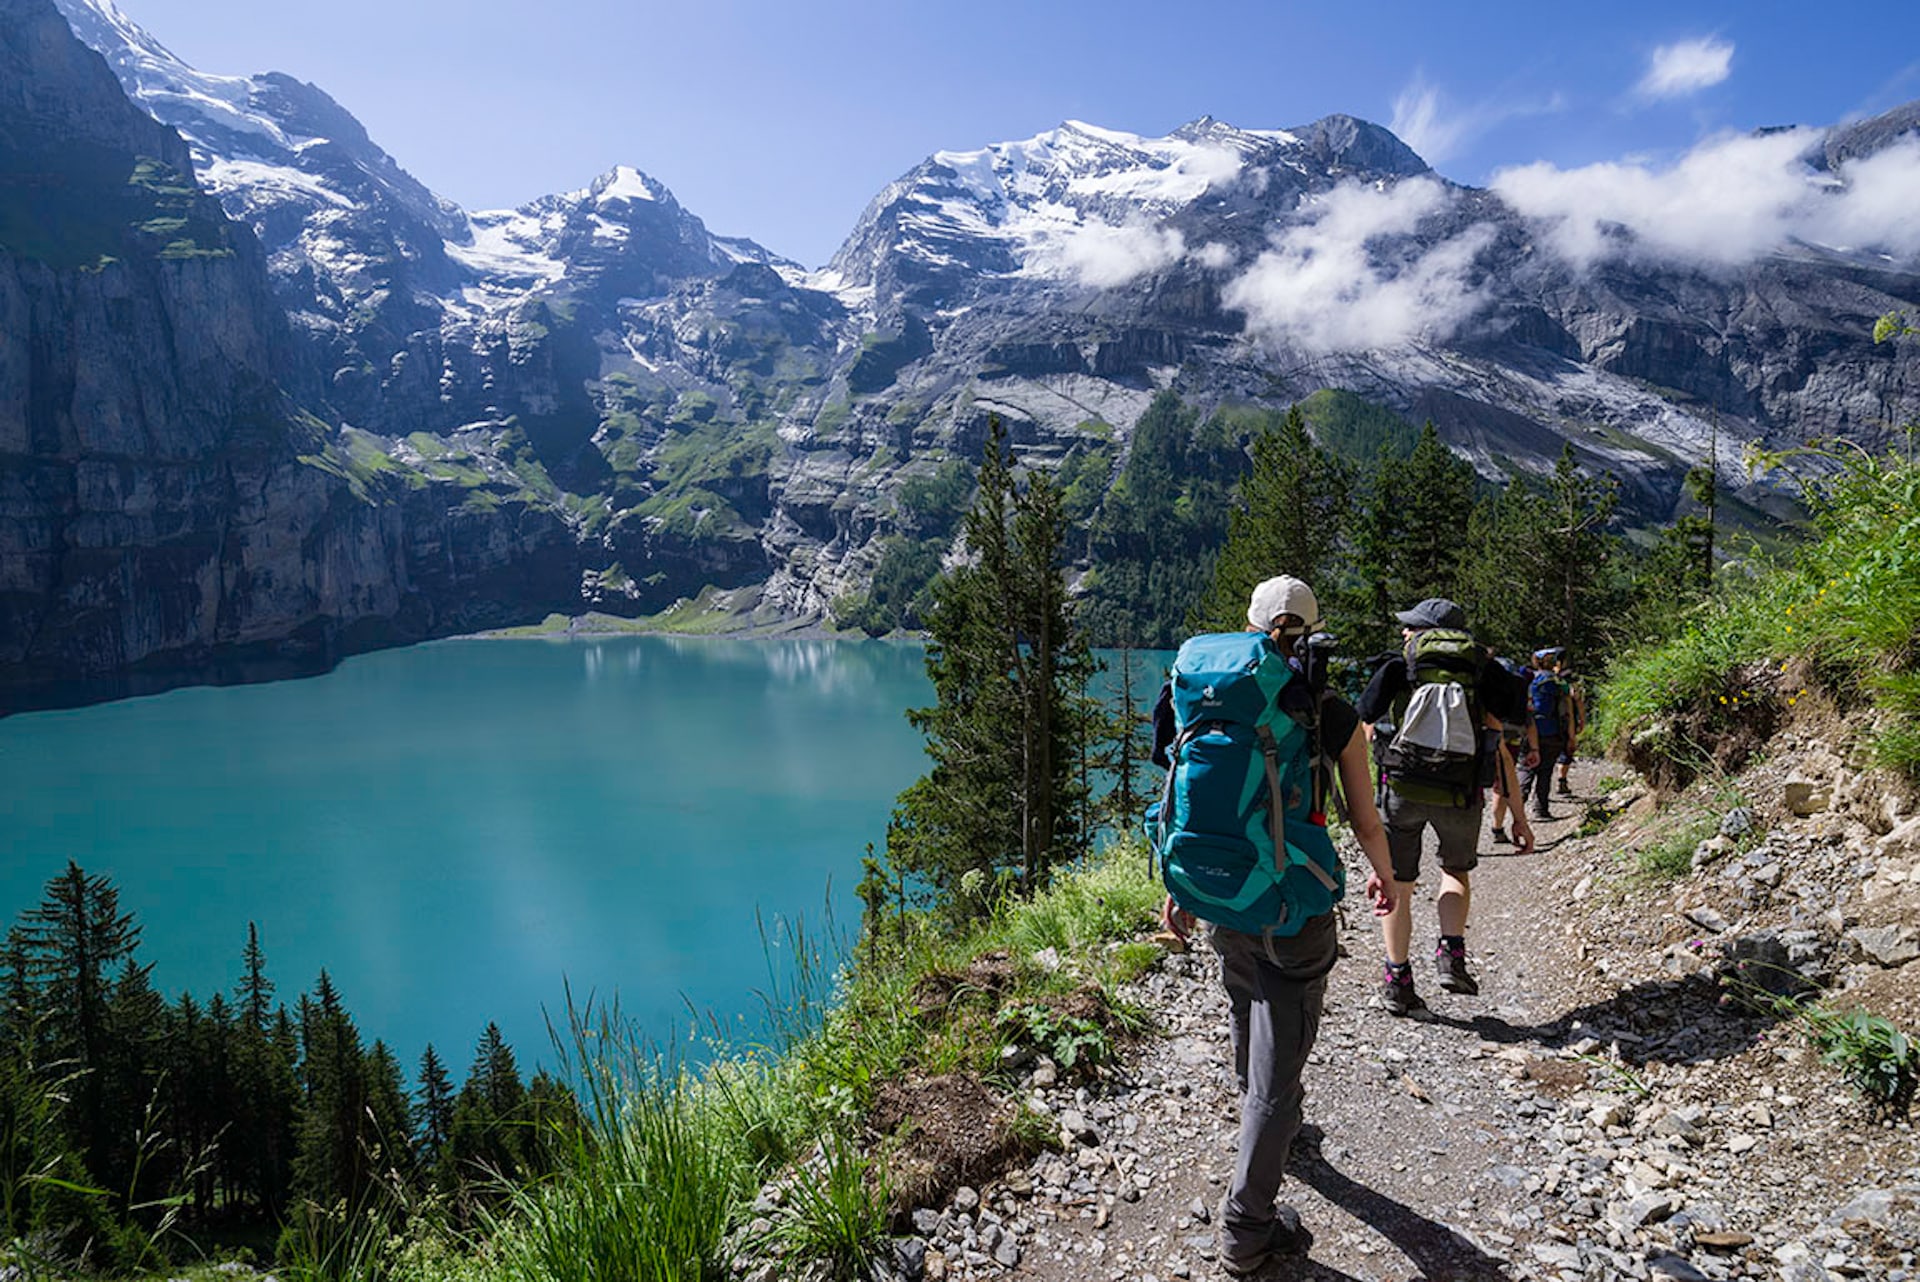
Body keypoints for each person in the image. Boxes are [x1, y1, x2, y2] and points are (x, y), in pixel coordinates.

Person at [1157, 575, 1398, 1275]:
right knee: (1280, 1070)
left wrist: (1173, 887)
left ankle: (1263, 1121)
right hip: (1294, 902)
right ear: (1310, 631)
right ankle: (1247, 1229)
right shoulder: (1328, 708)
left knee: (1242, 996)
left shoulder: (1195, 695)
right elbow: (1363, 814)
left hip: (1216, 890)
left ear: (1252, 628)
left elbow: (1176, 791)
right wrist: (1382, 872)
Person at [1356, 599, 1534, 1016]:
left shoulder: (1401, 664)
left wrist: (1360, 810)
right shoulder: (1482, 669)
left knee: (1398, 883)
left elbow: (1364, 722)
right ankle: (1451, 954)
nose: (1404, 632)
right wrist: (1520, 820)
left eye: (1410, 626)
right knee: (1454, 872)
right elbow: (1498, 747)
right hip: (1460, 791)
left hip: (1401, 790)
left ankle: (1397, 979)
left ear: (1425, 630)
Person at [1489, 657, 1538, 846]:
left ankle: (1489, 832)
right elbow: (1530, 722)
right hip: (1513, 740)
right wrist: (1534, 749)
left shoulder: (1483, 688)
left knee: (1479, 789)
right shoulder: (1519, 692)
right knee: (1503, 784)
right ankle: (1497, 828)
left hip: (1485, 740)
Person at [1519, 647, 1569, 820]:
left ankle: (1517, 807)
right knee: (1545, 771)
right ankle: (1541, 809)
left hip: (1529, 729)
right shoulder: (1558, 682)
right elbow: (1566, 707)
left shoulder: (1527, 678)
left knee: (1526, 768)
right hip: (1552, 731)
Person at [1554, 655, 1588, 798]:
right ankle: (1562, 781)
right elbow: (1579, 703)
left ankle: (1540, 789)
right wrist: (1582, 721)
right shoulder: (1570, 681)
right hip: (1568, 721)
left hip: (1549, 722)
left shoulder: (1549, 680)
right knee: (1567, 751)